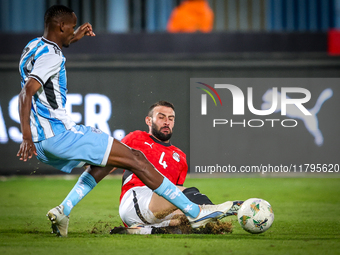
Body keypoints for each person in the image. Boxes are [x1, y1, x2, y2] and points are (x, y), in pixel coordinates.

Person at [17, 5, 234, 237]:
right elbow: (26, 92)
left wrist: (74, 38)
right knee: (136, 158)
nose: (74, 29)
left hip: (43, 143)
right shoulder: (53, 55)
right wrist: (25, 136)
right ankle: (193, 211)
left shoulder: (33, 46)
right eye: (71, 26)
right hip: (60, 135)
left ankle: (63, 210)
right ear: (61, 26)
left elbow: (41, 64)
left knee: (105, 162)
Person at [116, 101, 242, 234]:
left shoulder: (180, 157)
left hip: (155, 210)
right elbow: (109, 163)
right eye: (161, 117)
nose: (166, 122)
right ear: (148, 120)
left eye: (171, 119)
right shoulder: (136, 138)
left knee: (194, 224)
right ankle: (214, 209)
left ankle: (144, 230)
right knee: (190, 195)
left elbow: (175, 198)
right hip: (136, 199)